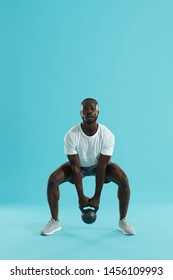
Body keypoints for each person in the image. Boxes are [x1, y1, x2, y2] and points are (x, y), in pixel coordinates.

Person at [41, 98, 135, 236]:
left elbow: (102, 167)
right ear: (81, 113)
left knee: (124, 179)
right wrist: (81, 197)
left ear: (98, 112)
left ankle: (123, 220)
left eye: (92, 108)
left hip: (100, 166)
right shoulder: (71, 135)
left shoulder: (107, 135)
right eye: (86, 109)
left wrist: (97, 197)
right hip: (80, 166)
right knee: (53, 179)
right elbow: (75, 167)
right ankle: (54, 221)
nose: (89, 111)